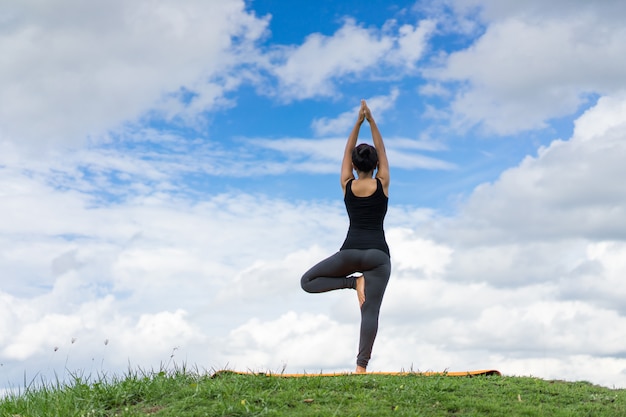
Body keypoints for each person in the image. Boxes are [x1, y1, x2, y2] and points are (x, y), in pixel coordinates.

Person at [301, 99, 391, 374]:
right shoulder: (383, 182)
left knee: (307, 281)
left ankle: (353, 284)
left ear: (354, 165)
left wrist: (357, 123)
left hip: (350, 252)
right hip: (378, 256)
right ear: (376, 165)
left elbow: (345, 154)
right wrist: (372, 122)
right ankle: (361, 368)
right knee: (370, 311)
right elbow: (383, 153)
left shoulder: (347, 184)